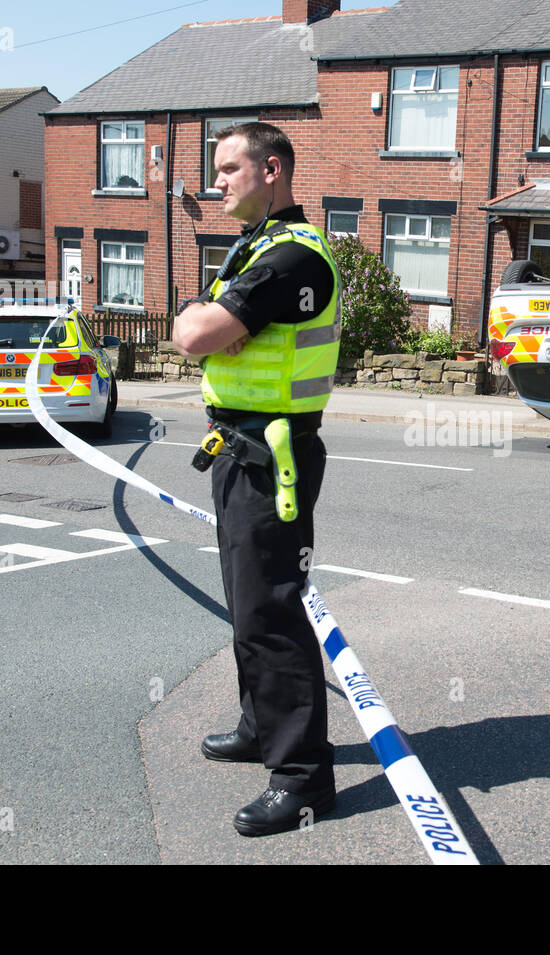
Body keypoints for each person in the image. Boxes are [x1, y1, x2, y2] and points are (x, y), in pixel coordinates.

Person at [172, 122, 340, 837]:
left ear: (272, 170)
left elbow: (193, 334)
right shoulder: (258, 249)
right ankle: (259, 725)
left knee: (272, 612)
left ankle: (302, 778)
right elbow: (207, 324)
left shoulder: (290, 258)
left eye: (229, 168)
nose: (219, 182)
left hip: (273, 455)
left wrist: (204, 321)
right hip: (242, 447)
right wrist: (207, 319)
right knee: (247, 606)